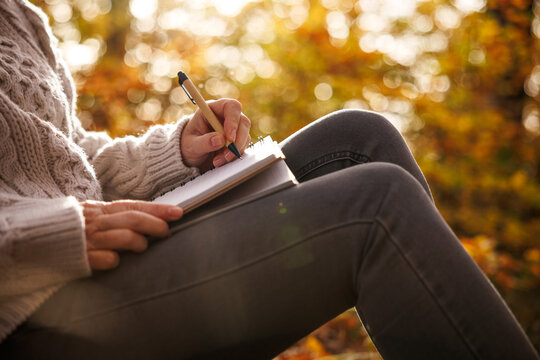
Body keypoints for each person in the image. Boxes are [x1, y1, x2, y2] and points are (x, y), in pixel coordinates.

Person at [0, 0, 538, 359]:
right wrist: (47, 234)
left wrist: (176, 152)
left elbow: (62, 158)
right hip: (32, 303)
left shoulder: (21, 17)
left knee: (359, 138)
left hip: (101, 252)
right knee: (374, 204)